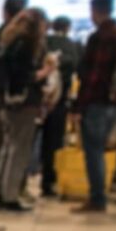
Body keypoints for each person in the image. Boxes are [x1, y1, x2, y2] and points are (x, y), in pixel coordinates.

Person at [74, 0, 116, 213]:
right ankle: (100, 195)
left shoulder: (100, 37)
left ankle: (97, 198)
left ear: (95, 11)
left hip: (97, 101)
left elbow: (93, 76)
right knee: (102, 149)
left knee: (94, 151)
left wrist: (79, 106)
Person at [0, 8, 55, 210]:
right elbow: (26, 77)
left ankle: (1, 190)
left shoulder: (10, 41)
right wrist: (46, 71)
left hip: (9, 103)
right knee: (18, 150)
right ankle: (10, 196)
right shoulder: (26, 45)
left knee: (8, 148)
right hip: (24, 104)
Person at [40, 17, 81, 197]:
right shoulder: (72, 46)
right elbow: (77, 72)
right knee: (53, 143)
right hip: (58, 102)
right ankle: (48, 182)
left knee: (27, 142)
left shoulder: (43, 42)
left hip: (37, 100)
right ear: (68, 27)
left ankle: (21, 180)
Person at [0, 0, 27, 167]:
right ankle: (7, 184)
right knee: (14, 143)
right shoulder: (24, 38)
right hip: (17, 98)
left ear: (4, 12)